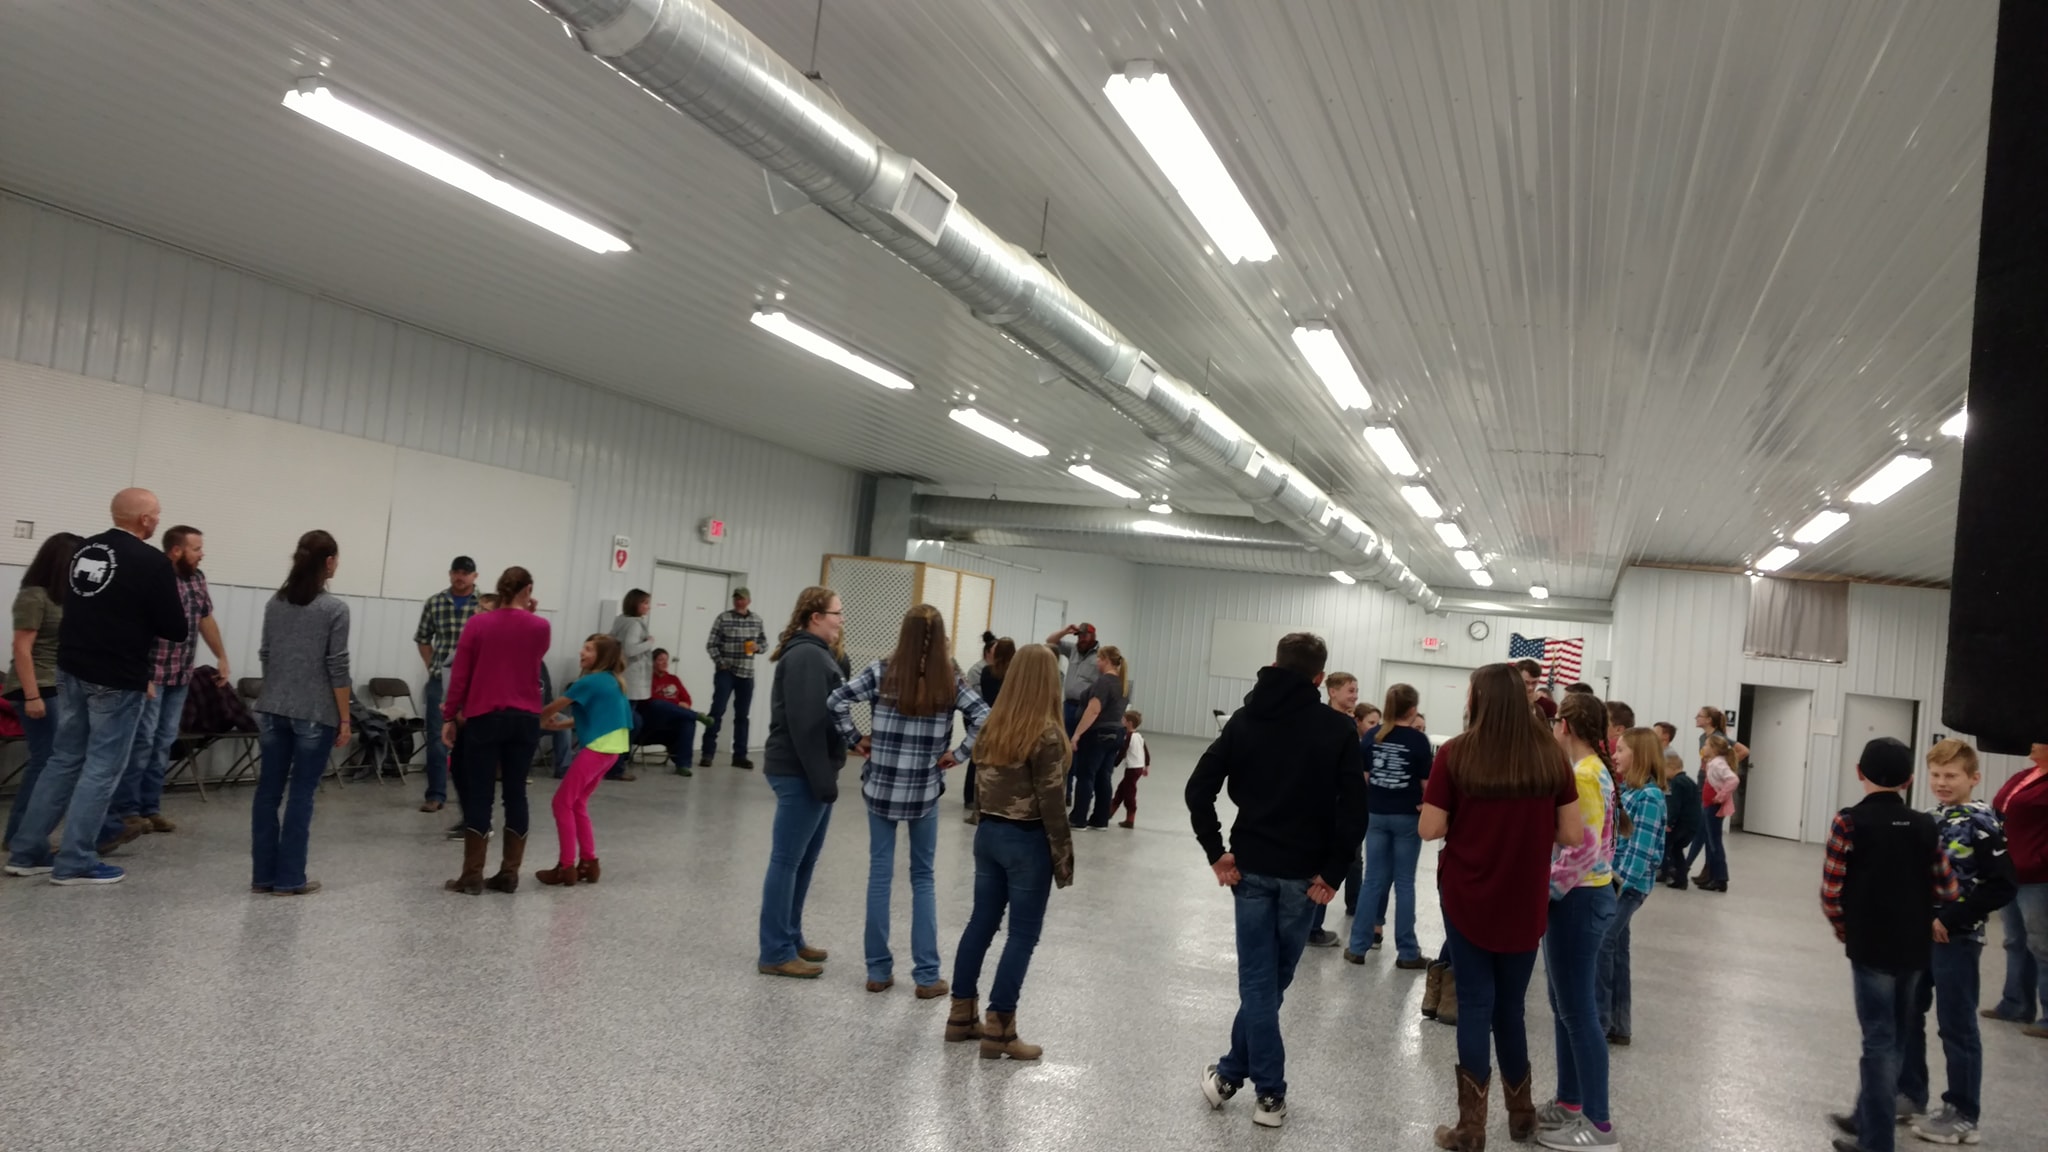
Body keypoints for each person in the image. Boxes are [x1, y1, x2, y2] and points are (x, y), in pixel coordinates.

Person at [1188, 631, 1368, 1131]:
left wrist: (1216, 851)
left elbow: (1198, 789)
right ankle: (1269, 1093)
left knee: (1260, 983)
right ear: (1319, 677)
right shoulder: (1338, 730)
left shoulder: (1245, 720)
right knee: (1270, 981)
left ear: (1274, 663)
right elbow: (1355, 811)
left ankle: (1232, 1074)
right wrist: (1334, 871)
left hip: (1250, 869)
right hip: (1305, 879)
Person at [1421, 664, 1582, 1152]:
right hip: (1524, 897)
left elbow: (1430, 829)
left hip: (1467, 894)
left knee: (1475, 1003)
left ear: (1478, 699)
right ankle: (1522, 1116)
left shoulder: (1456, 753)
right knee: (1510, 1008)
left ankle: (1471, 1128)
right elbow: (1572, 833)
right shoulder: (1551, 758)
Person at [5, 489, 186, 885]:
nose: (158, 519)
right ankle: (76, 861)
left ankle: (27, 851)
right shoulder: (151, 561)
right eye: (156, 513)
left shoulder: (84, 550)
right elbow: (175, 627)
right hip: (116, 675)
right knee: (102, 768)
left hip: (70, 668)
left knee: (63, 760)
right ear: (144, 519)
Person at [828, 604, 991, 997]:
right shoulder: (948, 679)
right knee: (923, 878)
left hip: (881, 787)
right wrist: (960, 753)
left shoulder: (881, 671)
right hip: (924, 791)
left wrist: (855, 739)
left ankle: (878, 971)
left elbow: (836, 700)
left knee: (879, 876)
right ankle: (927, 976)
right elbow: (986, 716)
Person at [1822, 738, 1960, 1152]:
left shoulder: (1848, 822)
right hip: (1914, 948)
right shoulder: (1925, 825)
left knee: (1878, 1041)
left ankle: (1876, 1142)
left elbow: (1831, 893)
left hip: (1870, 947)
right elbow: (1948, 889)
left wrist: (1846, 930)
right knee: (1897, 1037)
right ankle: (1868, 1122)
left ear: (1859, 772)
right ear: (1910, 779)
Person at [947, 642, 1074, 1060]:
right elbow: (1053, 804)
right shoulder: (1047, 734)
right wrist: (1063, 858)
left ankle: (961, 1015)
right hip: (1027, 841)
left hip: (988, 834)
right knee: (1022, 935)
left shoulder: (991, 726)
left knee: (980, 924)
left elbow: (980, 787)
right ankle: (1000, 1027)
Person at [1900, 739, 2016, 1143]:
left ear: (1973, 778)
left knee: (1956, 1025)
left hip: (1958, 938)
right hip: (1919, 936)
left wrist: (1951, 918)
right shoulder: (1932, 819)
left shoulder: (1982, 823)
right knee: (1908, 1012)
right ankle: (1910, 1092)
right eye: (1935, 775)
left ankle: (1964, 1112)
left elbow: (2002, 885)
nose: (1942, 782)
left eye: (1951, 775)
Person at [1535, 692, 1630, 1150]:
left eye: (1556, 723)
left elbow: (1583, 849)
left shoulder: (1587, 775)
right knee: (1564, 1006)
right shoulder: (1589, 770)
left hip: (1579, 898)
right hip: (1578, 897)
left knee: (1578, 1012)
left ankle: (1599, 1122)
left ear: (1566, 727)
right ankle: (1570, 1101)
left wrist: (1543, 891)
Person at [103, 524, 227, 841]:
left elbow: (205, 618)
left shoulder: (197, 579)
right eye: (196, 549)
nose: (202, 554)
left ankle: (150, 808)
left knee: (163, 743)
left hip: (180, 675)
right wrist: (139, 673)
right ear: (176, 551)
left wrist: (221, 656)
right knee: (142, 741)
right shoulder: (153, 575)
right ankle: (127, 811)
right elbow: (132, 625)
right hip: (151, 674)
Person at [250, 531, 350, 897]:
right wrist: (345, 718)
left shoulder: (275, 602)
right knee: (301, 795)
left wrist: (278, 688)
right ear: (329, 562)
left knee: (267, 793)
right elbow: (337, 666)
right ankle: (290, 877)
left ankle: (263, 875)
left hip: (271, 707)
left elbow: (266, 653)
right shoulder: (334, 609)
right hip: (315, 712)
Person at [441, 567, 550, 896]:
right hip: (526, 718)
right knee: (516, 793)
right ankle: (509, 873)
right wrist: (530, 612)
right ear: (528, 590)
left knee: (480, 794)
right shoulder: (541, 627)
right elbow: (532, 655)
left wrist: (449, 716)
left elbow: (460, 675)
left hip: (485, 716)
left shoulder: (478, 624)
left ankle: (472, 876)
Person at [757, 586, 847, 979]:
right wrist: (821, 777)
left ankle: (790, 936)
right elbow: (807, 723)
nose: (841, 620)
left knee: (804, 861)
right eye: (836, 613)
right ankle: (775, 950)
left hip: (811, 769)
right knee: (787, 861)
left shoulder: (817, 653)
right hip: (799, 771)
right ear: (816, 617)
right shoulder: (808, 656)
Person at [534, 634, 634, 887]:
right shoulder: (612, 680)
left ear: (602, 657)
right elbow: (597, 719)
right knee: (578, 803)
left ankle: (565, 867)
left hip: (597, 749)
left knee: (561, 803)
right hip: (611, 751)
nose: (582, 652)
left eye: (588, 649)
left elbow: (555, 706)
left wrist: (535, 720)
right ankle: (589, 863)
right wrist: (560, 727)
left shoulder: (591, 681)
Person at [4, 532, 83, 853]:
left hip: (57, 684)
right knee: (47, 761)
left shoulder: (63, 597)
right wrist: (32, 695)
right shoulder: (33, 596)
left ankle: (25, 834)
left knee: (52, 761)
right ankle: (20, 836)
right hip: (36, 686)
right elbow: (21, 648)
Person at [1348, 683, 1434, 968]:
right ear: (1413, 709)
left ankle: (1357, 947)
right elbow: (1427, 784)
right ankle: (1407, 952)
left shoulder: (1373, 736)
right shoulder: (1418, 741)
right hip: (1407, 817)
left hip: (1376, 815)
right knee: (1405, 883)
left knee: (1373, 880)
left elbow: (1363, 777)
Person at [1598, 728, 1669, 1046]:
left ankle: (1599, 1021)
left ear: (1638, 756)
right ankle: (1619, 1024)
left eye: (1621, 750)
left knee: (1602, 944)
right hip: (1617, 882)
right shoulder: (1628, 791)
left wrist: (1614, 889)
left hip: (1627, 886)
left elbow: (1639, 852)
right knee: (1616, 951)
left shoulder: (1649, 797)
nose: (1615, 755)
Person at [1984, 742, 2048, 1036]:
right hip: (2010, 871)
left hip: (2038, 876)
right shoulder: (2024, 776)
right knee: (2015, 941)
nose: (2032, 743)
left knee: (2042, 945)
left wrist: (2038, 859)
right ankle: (2015, 1005)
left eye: (2039, 739)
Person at [413, 556, 480, 813]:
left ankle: (472, 796)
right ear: (450, 574)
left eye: (465, 573)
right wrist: (433, 666)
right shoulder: (435, 602)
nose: (460, 577)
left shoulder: (484, 605)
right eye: (456, 572)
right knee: (436, 738)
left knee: (474, 738)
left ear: (475, 576)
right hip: (441, 681)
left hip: (474, 683)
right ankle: (436, 794)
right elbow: (423, 638)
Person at [701, 586, 767, 769]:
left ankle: (740, 756)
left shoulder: (757, 620)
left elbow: (764, 643)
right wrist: (720, 662)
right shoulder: (723, 618)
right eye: (736, 598)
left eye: (742, 598)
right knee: (717, 710)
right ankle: (707, 753)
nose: (739, 601)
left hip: (747, 673)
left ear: (749, 601)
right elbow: (711, 644)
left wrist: (758, 648)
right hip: (726, 672)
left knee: (742, 716)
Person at [1065, 645, 1130, 828]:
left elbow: (1093, 710)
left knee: (1086, 775)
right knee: (1104, 776)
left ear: (1107, 660)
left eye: (1100, 659)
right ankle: (1100, 819)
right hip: (1115, 734)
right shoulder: (1122, 684)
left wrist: (1077, 734)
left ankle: (1079, 818)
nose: (1097, 662)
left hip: (1098, 735)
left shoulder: (1104, 683)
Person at [606, 588, 656, 781]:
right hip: (631, 681)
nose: (648, 607)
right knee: (628, 725)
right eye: (645, 603)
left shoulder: (620, 620)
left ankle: (614, 764)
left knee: (624, 723)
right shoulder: (635, 624)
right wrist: (649, 643)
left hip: (619, 677)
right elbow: (629, 649)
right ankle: (617, 766)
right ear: (636, 604)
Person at [643, 648, 714, 778]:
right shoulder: (647, 679)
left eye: (666, 660)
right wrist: (676, 703)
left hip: (672, 720)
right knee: (657, 704)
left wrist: (681, 704)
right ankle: (697, 715)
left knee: (688, 721)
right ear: (652, 662)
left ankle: (683, 765)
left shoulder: (673, 679)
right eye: (660, 660)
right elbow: (651, 699)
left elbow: (687, 699)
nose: (665, 663)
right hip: (654, 719)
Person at [964, 637, 1014, 819]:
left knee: (978, 760)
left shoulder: (986, 672)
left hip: (989, 718)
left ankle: (972, 797)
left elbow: (986, 695)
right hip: (1007, 721)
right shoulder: (1014, 674)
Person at [1692, 734, 1740, 892]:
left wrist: (1721, 795)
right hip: (1708, 806)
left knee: (1715, 843)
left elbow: (1733, 779)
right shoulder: (1712, 762)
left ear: (1713, 749)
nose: (1703, 747)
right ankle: (1712, 876)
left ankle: (1720, 878)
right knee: (1711, 841)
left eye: (1706, 745)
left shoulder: (1718, 763)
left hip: (1713, 807)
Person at [1047, 622, 1102, 734]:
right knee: (1066, 736)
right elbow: (1050, 642)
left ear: (1093, 636)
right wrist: (1065, 631)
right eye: (1079, 636)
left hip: (1087, 707)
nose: (1081, 639)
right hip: (1069, 705)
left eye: (1085, 636)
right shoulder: (1073, 650)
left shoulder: (1101, 655)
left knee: (1082, 738)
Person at [1660, 750, 1702, 890]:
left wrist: (1669, 823)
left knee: (1672, 848)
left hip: (1682, 824)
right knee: (1676, 849)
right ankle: (1678, 876)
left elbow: (1675, 805)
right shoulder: (1689, 781)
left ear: (1671, 767)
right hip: (1692, 823)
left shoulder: (1677, 783)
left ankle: (1678, 877)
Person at [1108, 709, 1150, 829]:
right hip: (1138, 768)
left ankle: (1130, 819)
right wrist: (1146, 765)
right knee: (1121, 790)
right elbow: (1146, 752)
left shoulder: (1128, 737)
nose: (1122, 721)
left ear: (1129, 723)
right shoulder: (1139, 736)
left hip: (1132, 768)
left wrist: (1113, 764)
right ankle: (1109, 812)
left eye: (1124, 720)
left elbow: (1122, 751)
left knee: (1129, 793)